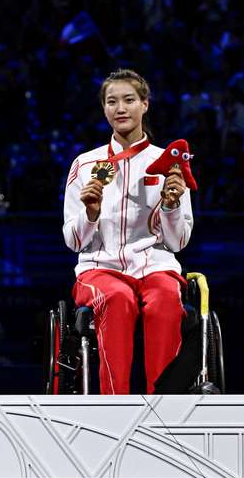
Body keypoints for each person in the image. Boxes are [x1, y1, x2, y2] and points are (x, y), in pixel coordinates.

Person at [62, 68, 193, 394]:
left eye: (129, 100)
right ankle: (113, 406)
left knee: (166, 299)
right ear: (104, 109)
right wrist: (90, 213)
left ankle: (164, 404)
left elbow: (178, 241)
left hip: (154, 268)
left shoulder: (168, 163)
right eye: (112, 102)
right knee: (117, 299)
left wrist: (171, 205)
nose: (120, 108)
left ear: (145, 105)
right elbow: (73, 240)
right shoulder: (85, 164)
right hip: (99, 270)